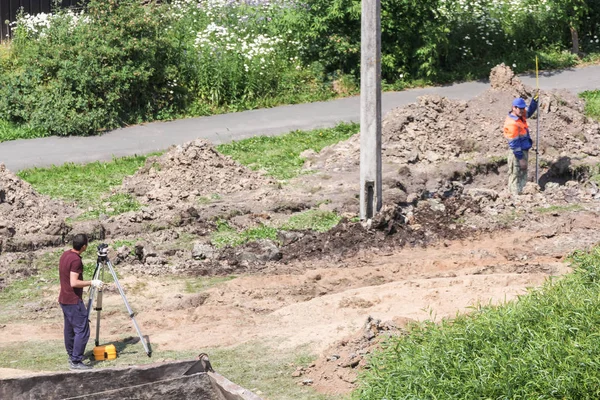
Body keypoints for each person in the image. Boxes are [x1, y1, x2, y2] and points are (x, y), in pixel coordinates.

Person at [58, 234, 103, 370]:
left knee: (69, 329)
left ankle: (72, 354)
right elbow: (74, 282)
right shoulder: (76, 261)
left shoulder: (65, 255)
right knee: (82, 330)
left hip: (64, 299)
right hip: (73, 300)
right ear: (84, 246)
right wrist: (92, 282)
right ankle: (76, 361)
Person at [503, 93, 539, 194]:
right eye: (520, 109)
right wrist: (521, 159)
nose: (523, 111)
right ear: (514, 108)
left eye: (523, 108)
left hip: (523, 151)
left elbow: (529, 112)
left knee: (522, 175)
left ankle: (522, 195)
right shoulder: (512, 123)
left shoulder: (519, 116)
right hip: (517, 153)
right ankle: (515, 198)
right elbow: (514, 144)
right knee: (515, 175)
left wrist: (535, 100)